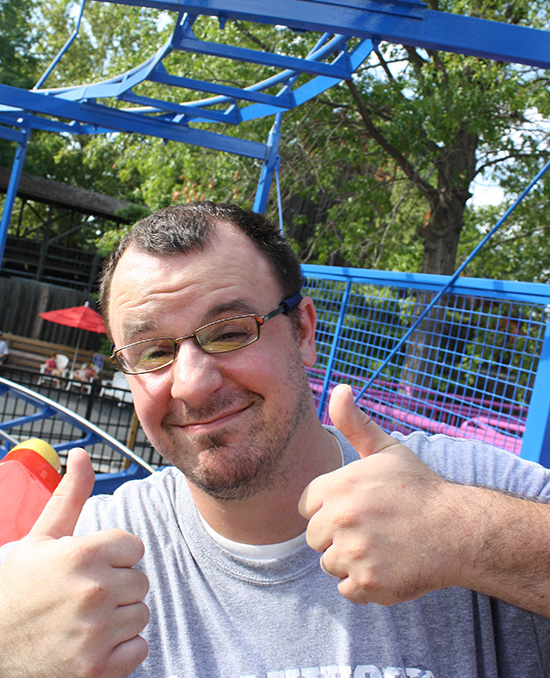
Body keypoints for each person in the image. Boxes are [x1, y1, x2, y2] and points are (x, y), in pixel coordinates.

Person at [1, 201, 550, 678]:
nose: (192, 384)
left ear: (304, 331)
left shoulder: (461, 490)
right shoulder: (88, 558)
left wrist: (471, 536)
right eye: (152, 353)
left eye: (231, 332)